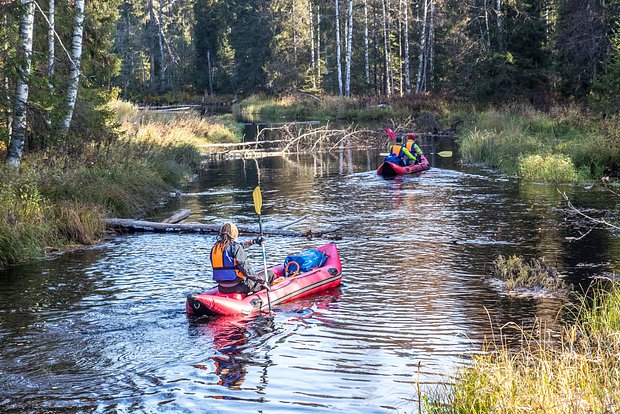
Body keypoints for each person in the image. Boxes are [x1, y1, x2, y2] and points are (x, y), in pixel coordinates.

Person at [210, 223, 272, 295]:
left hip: (221, 288)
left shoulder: (214, 248)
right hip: (238, 287)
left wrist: (254, 241)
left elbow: (236, 247)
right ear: (234, 234)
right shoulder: (235, 248)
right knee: (269, 274)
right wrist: (262, 281)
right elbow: (246, 270)